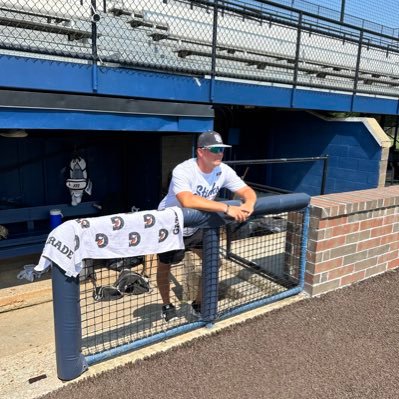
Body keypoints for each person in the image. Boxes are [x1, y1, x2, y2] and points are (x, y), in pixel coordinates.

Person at [157, 130, 257, 321]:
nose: (220, 153)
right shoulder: (183, 170)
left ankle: (198, 303)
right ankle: (166, 304)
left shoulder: (223, 170)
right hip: (171, 227)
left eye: (222, 150)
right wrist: (226, 208)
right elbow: (187, 200)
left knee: (213, 262)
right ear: (201, 151)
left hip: (196, 227)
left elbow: (246, 190)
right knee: (164, 268)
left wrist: (249, 204)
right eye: (215, 149)